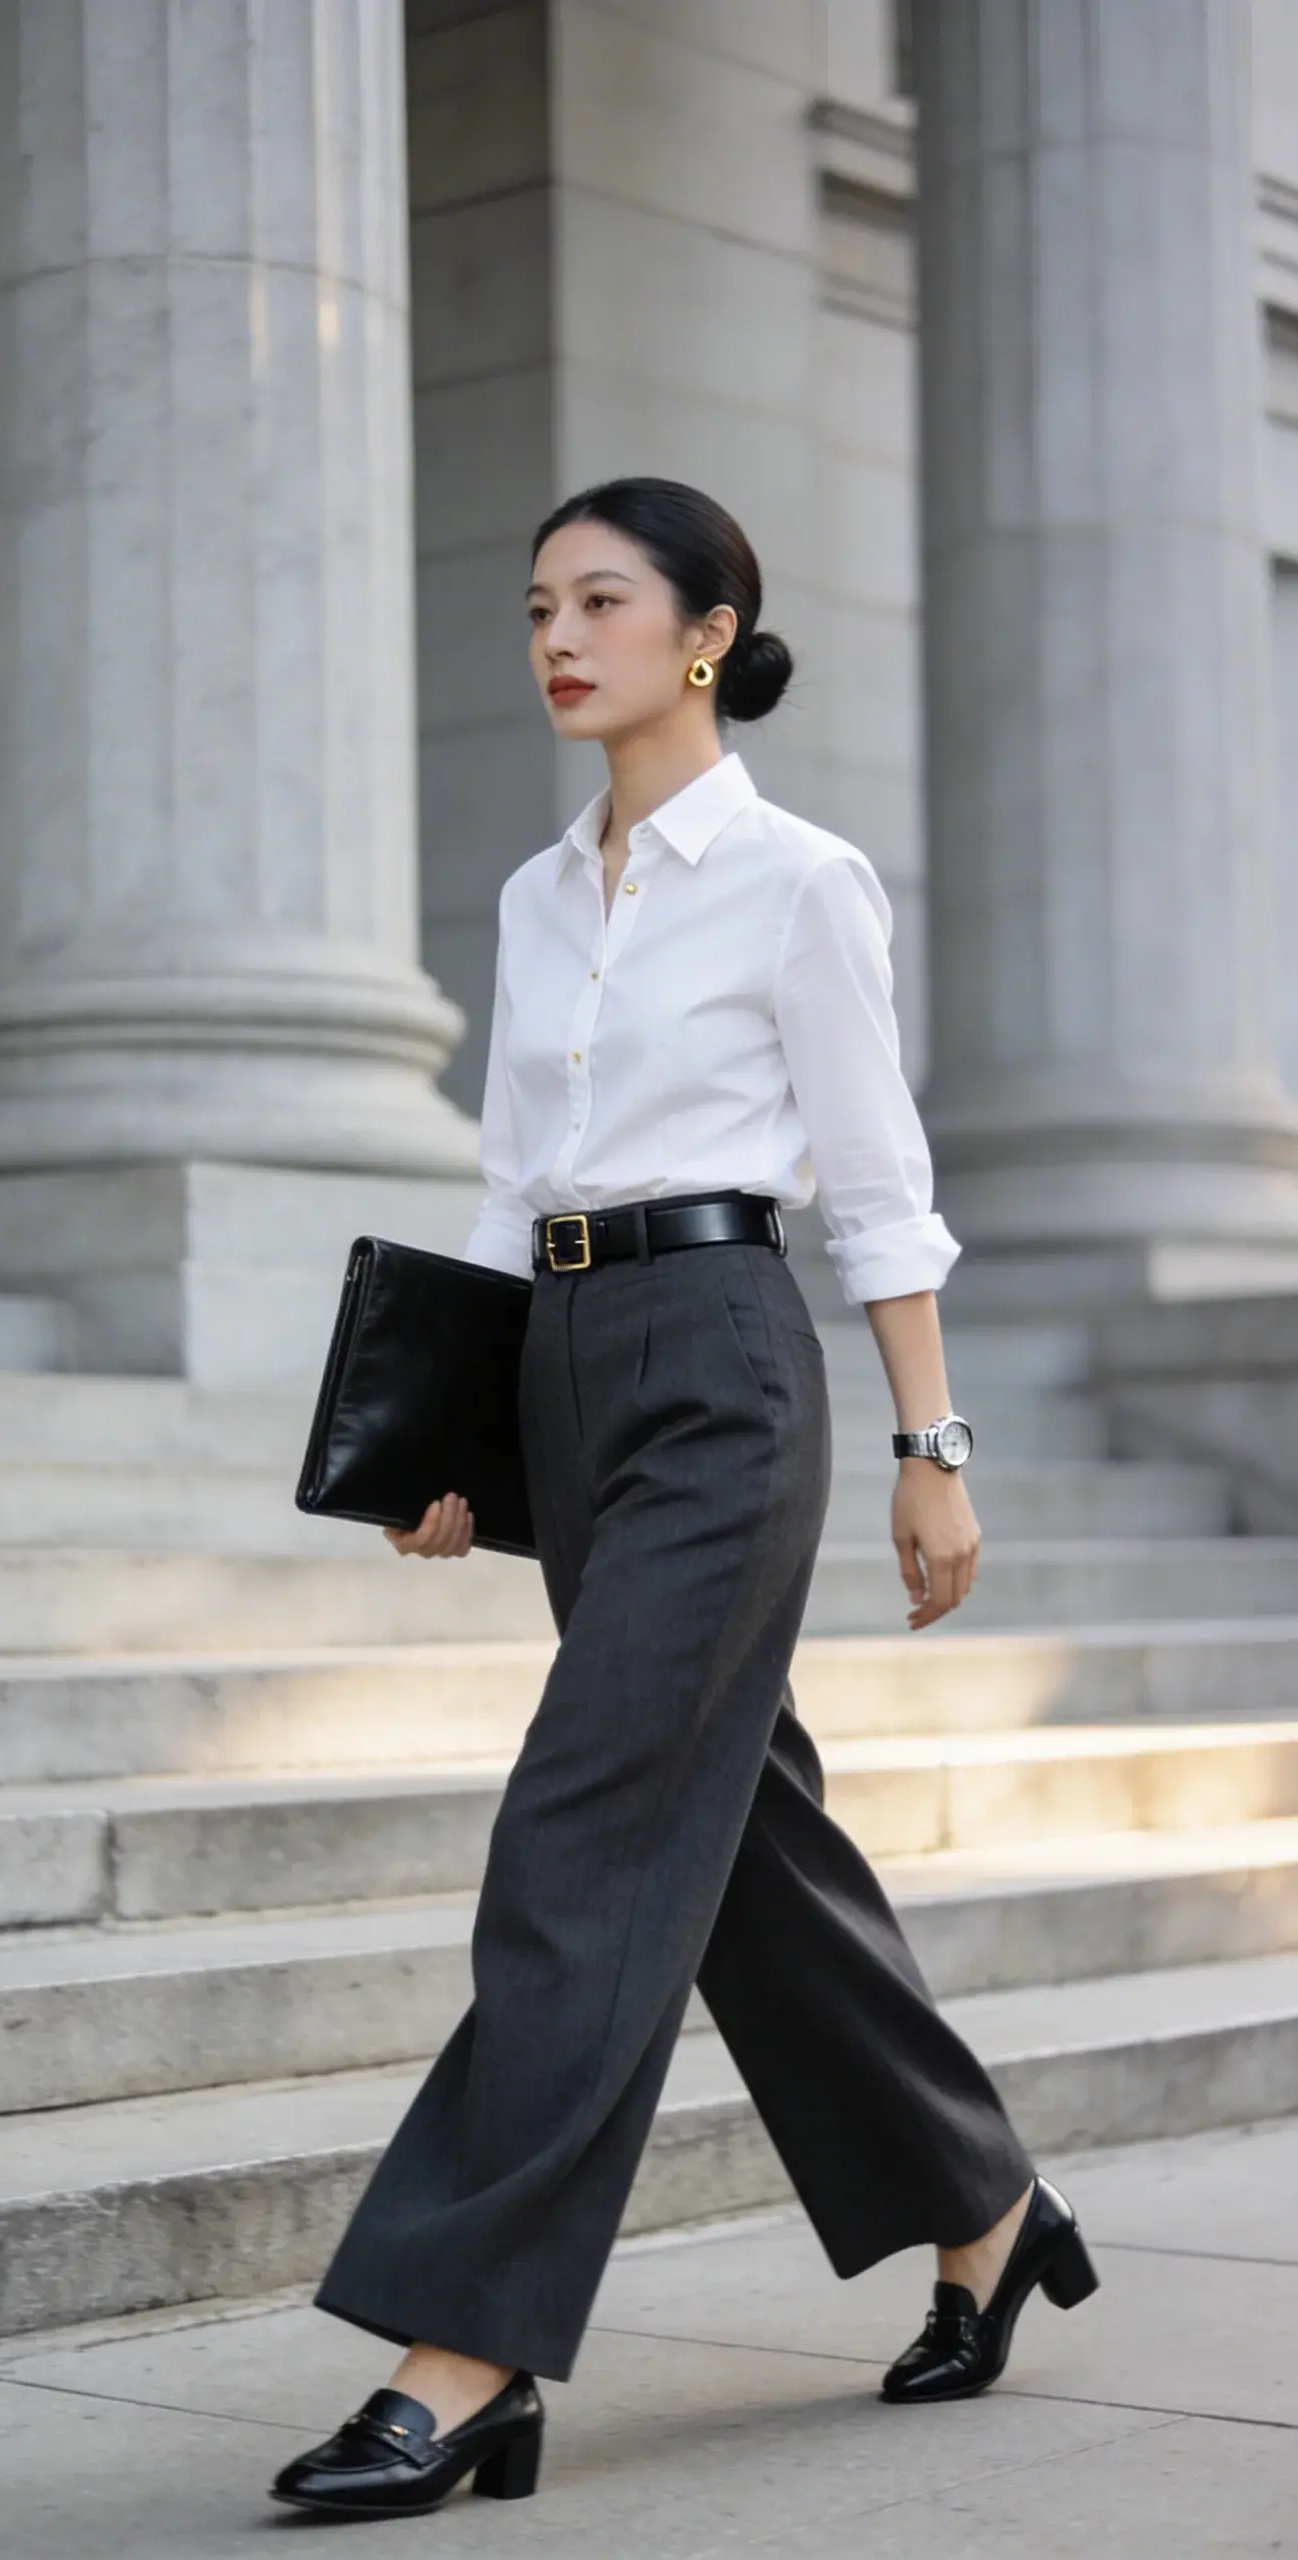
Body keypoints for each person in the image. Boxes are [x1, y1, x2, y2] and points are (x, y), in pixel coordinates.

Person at [269, 478, 1099, 2525]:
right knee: (736, 1847)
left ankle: (465, 2344)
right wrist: (453, 1434)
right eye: (540, 601)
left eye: (605, 600)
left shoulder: (802, 878)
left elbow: (881, 1178)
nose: (561, 635)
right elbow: (499, 1180)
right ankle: (980, 2198)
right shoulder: (541, 892)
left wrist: (933, 1446)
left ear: (708, 627)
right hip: (563, 1371)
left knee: (590, 1823)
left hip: (728, 1360)